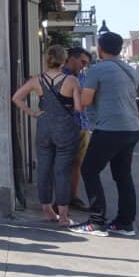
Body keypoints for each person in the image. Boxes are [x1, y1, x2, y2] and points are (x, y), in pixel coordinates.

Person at [70, 32, 139, 237]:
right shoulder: (130, 70)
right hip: (132, 130)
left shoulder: (97, 70)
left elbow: (86, 102)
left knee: (89, 170)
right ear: (118, 49)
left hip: (108, 129)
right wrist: (136, 116)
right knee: (123, 175)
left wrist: (76, 90)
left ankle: (97, 222)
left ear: (99, 49)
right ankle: (125, 223)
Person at [11, 45, 84, 227]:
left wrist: (32, 112)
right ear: (64, 60)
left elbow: (16, 98)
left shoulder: (37, 80)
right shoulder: (72, 80)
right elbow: (78, 108)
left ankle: (47, 211)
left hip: (44, 126)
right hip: (65, 127)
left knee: (44, 168)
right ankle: (64, 215)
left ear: (46, 60)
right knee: (63, 171)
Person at [64, 47, 93, 210]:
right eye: (82, 62)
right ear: (71, 59)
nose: (83, 66)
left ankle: (72, 197)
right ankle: (61, 199)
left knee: (77, 163)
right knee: (62, 163)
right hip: (66, 126)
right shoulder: (60, 76)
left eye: (86, 64)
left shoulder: (83, 77)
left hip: (82, 124)